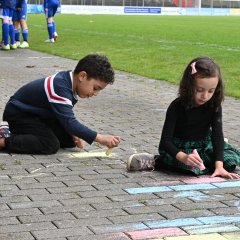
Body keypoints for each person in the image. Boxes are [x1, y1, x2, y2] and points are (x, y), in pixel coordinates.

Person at [127, 57, 240, 179]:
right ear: (189, 85)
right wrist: (183, 157)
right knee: (190, 168)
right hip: (180, 149)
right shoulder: (176, 106)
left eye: (211, 91)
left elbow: (217, 135)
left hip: (205, 146)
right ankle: (155, 161)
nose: (205, 96)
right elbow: (165, 142)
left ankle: (213, 164)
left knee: (230, 161)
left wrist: (219, 166)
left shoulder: (214, 105)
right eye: (200, 90)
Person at [0, 54, 120, 154]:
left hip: (38, 116)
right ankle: (4, 140)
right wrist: (101, 138)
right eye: (95, 88)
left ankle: (22, 134)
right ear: (82, 76)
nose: (95, 93)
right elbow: (69, 122)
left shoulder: (69, 83)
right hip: (19, 115)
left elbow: (63, 116)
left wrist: (73, 133)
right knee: (50, 144)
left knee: (69, 141)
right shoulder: (59, 86)